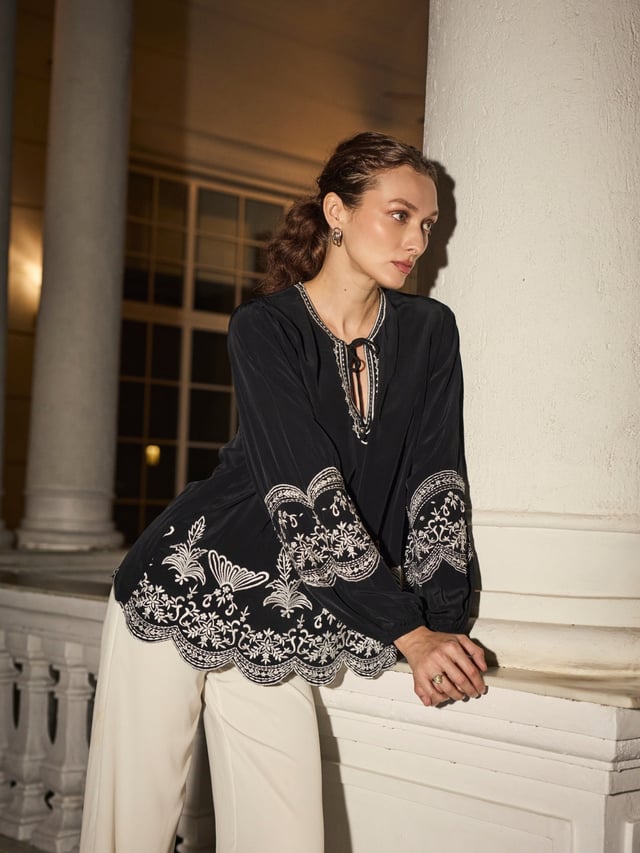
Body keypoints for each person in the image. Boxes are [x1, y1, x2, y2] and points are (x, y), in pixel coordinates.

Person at [79, 130, 487, 853]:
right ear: (337, 212)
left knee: (286, 836)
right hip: (185, 582)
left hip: (292, 609)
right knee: (130, 827)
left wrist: (444, 622)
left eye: (428, 224)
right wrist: (409, 632)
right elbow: (303, 489)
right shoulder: (264, 327)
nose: (418, 241)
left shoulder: (430, 331)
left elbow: (437, 481)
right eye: (399, 215)